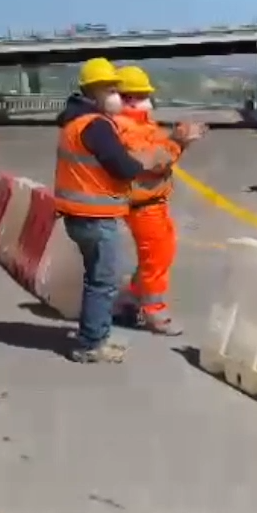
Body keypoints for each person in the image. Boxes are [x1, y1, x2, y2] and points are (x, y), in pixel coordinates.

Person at [53, 57, 179, 364]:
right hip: (94, 217)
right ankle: (91, 344)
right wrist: (147, 162)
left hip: (80, 215)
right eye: (110, 90)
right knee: (102, 282)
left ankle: (95, 337)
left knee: (98, 280)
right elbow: (123, 167)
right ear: (93, 92)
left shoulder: (75, 122)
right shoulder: (95, 125)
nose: (116, 96)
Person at [112, 65, 207, 336]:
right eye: (142, 95)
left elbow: (160, 155)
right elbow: (150, 162)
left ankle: (130, 300)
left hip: (153, 201)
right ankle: (155, 311)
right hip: (141, 203)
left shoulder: (141, 124)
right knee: (155, 257)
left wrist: (178, 142)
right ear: (128, 98)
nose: (147, 100)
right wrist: (178, 142)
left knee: (161, 253)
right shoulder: (124, 127)